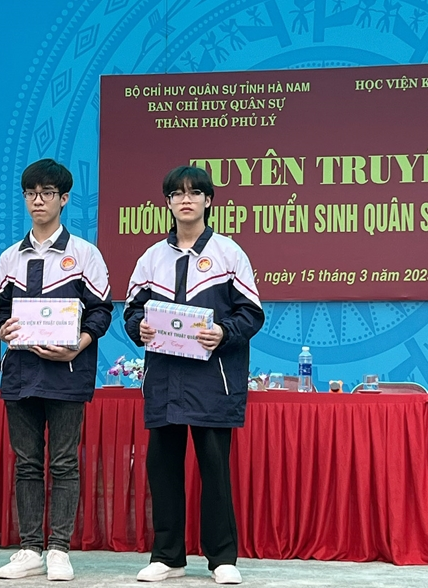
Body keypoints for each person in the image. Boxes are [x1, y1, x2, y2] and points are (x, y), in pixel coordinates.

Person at [123, 166, 264, 585]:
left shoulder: (229, 253)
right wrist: (138, 328)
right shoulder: (151, 257)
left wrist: (224, 332)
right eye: (177, 194)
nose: (186, 200)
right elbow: (132, 311)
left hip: (212, 381)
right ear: (167, 203)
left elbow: (251, 313)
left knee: (215, 471)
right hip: (165, 380)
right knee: (163, 469)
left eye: (194, 192)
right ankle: (168, 556)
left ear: (208, 200)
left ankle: (222, 559)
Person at [0, 158, 112, 581]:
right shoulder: (10, 257)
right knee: (27, 464)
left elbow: (100, 312)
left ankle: (59, 549)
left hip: (67, 373)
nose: (37, 201)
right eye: (30, 193)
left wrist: (78, 345)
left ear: (64, 199)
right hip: (20, 373)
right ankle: (30, 549)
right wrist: (2, 328)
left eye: (46, 193)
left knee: (63, 463)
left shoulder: (84, 254)